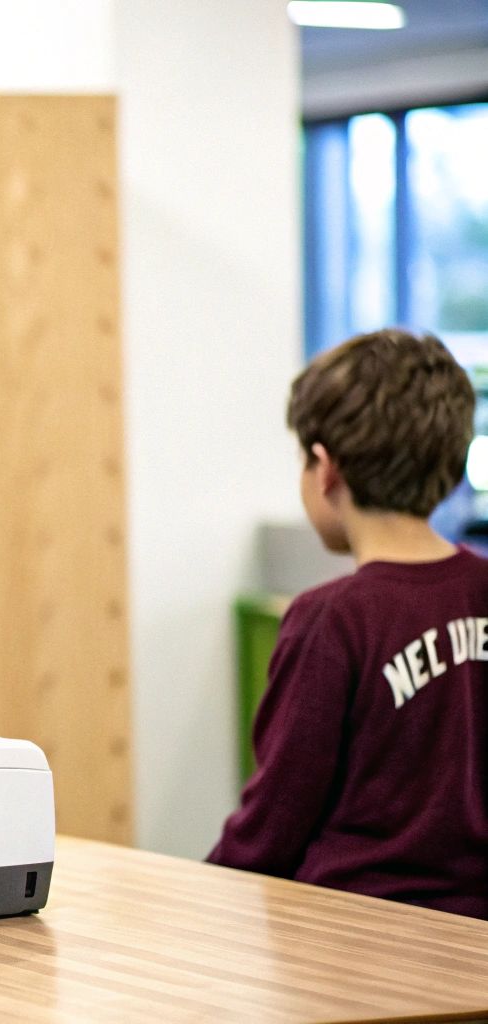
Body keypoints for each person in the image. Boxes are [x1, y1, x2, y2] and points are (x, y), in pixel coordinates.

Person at [208, 328, 488, 919]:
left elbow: (273, 825)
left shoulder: (328, 620)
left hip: (353, 940)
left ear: (324, 468)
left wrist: (200, 895)